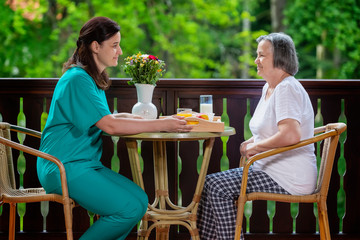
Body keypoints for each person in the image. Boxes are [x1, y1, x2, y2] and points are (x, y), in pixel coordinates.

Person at [36, 16, 192, 240]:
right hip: (62, 167)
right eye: (115, 45)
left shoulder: (90, 78)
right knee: (126, 209)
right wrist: (162, 124)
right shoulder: (77, 79)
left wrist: (136, 118)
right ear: (95, 46)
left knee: (138, 201)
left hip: (84, 164)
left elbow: (105, 117)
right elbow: (109, 125)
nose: (119, 51)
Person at [196, 32, 316, 239]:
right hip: (269, 169)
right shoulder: (270, 88)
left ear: (280, 58)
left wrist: (254, 148)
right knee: (210, 184)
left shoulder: (287, 88)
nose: (256, 60)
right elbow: (271, 129)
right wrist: (252, 141)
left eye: (261, 55)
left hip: (289, 176)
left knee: (216, 186)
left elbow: (290, 135)